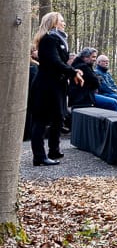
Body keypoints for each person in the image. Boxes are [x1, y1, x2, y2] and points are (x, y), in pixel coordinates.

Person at [29, 12, 83, 166]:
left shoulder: (58, 39)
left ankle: (54, 149)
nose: (64, 23)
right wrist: (72, 71)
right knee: (40, 120)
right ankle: (39, 156)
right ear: (53, 23)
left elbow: (60, 61)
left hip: (57, 85)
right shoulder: (49, 39)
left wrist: (72, 72)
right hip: (45, 85)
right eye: (61, 21)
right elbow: (54, 61)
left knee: (59, 117)